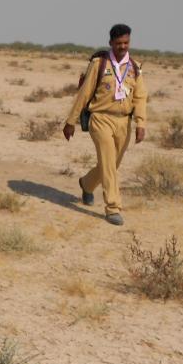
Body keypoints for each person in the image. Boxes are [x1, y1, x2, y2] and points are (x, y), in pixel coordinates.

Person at [64, 23, 147, 225]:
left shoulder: (135, 68)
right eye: (118, 43)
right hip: (100, 119)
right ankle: (113, 207)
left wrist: (141, 123)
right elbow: (84, 94)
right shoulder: (99, 64)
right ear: (110, 42)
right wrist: (71, 121)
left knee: (111, 164)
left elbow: (140, 97)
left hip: (124, 122)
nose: (122, 46)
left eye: (126, 42)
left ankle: (87, 184)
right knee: (109, 163)